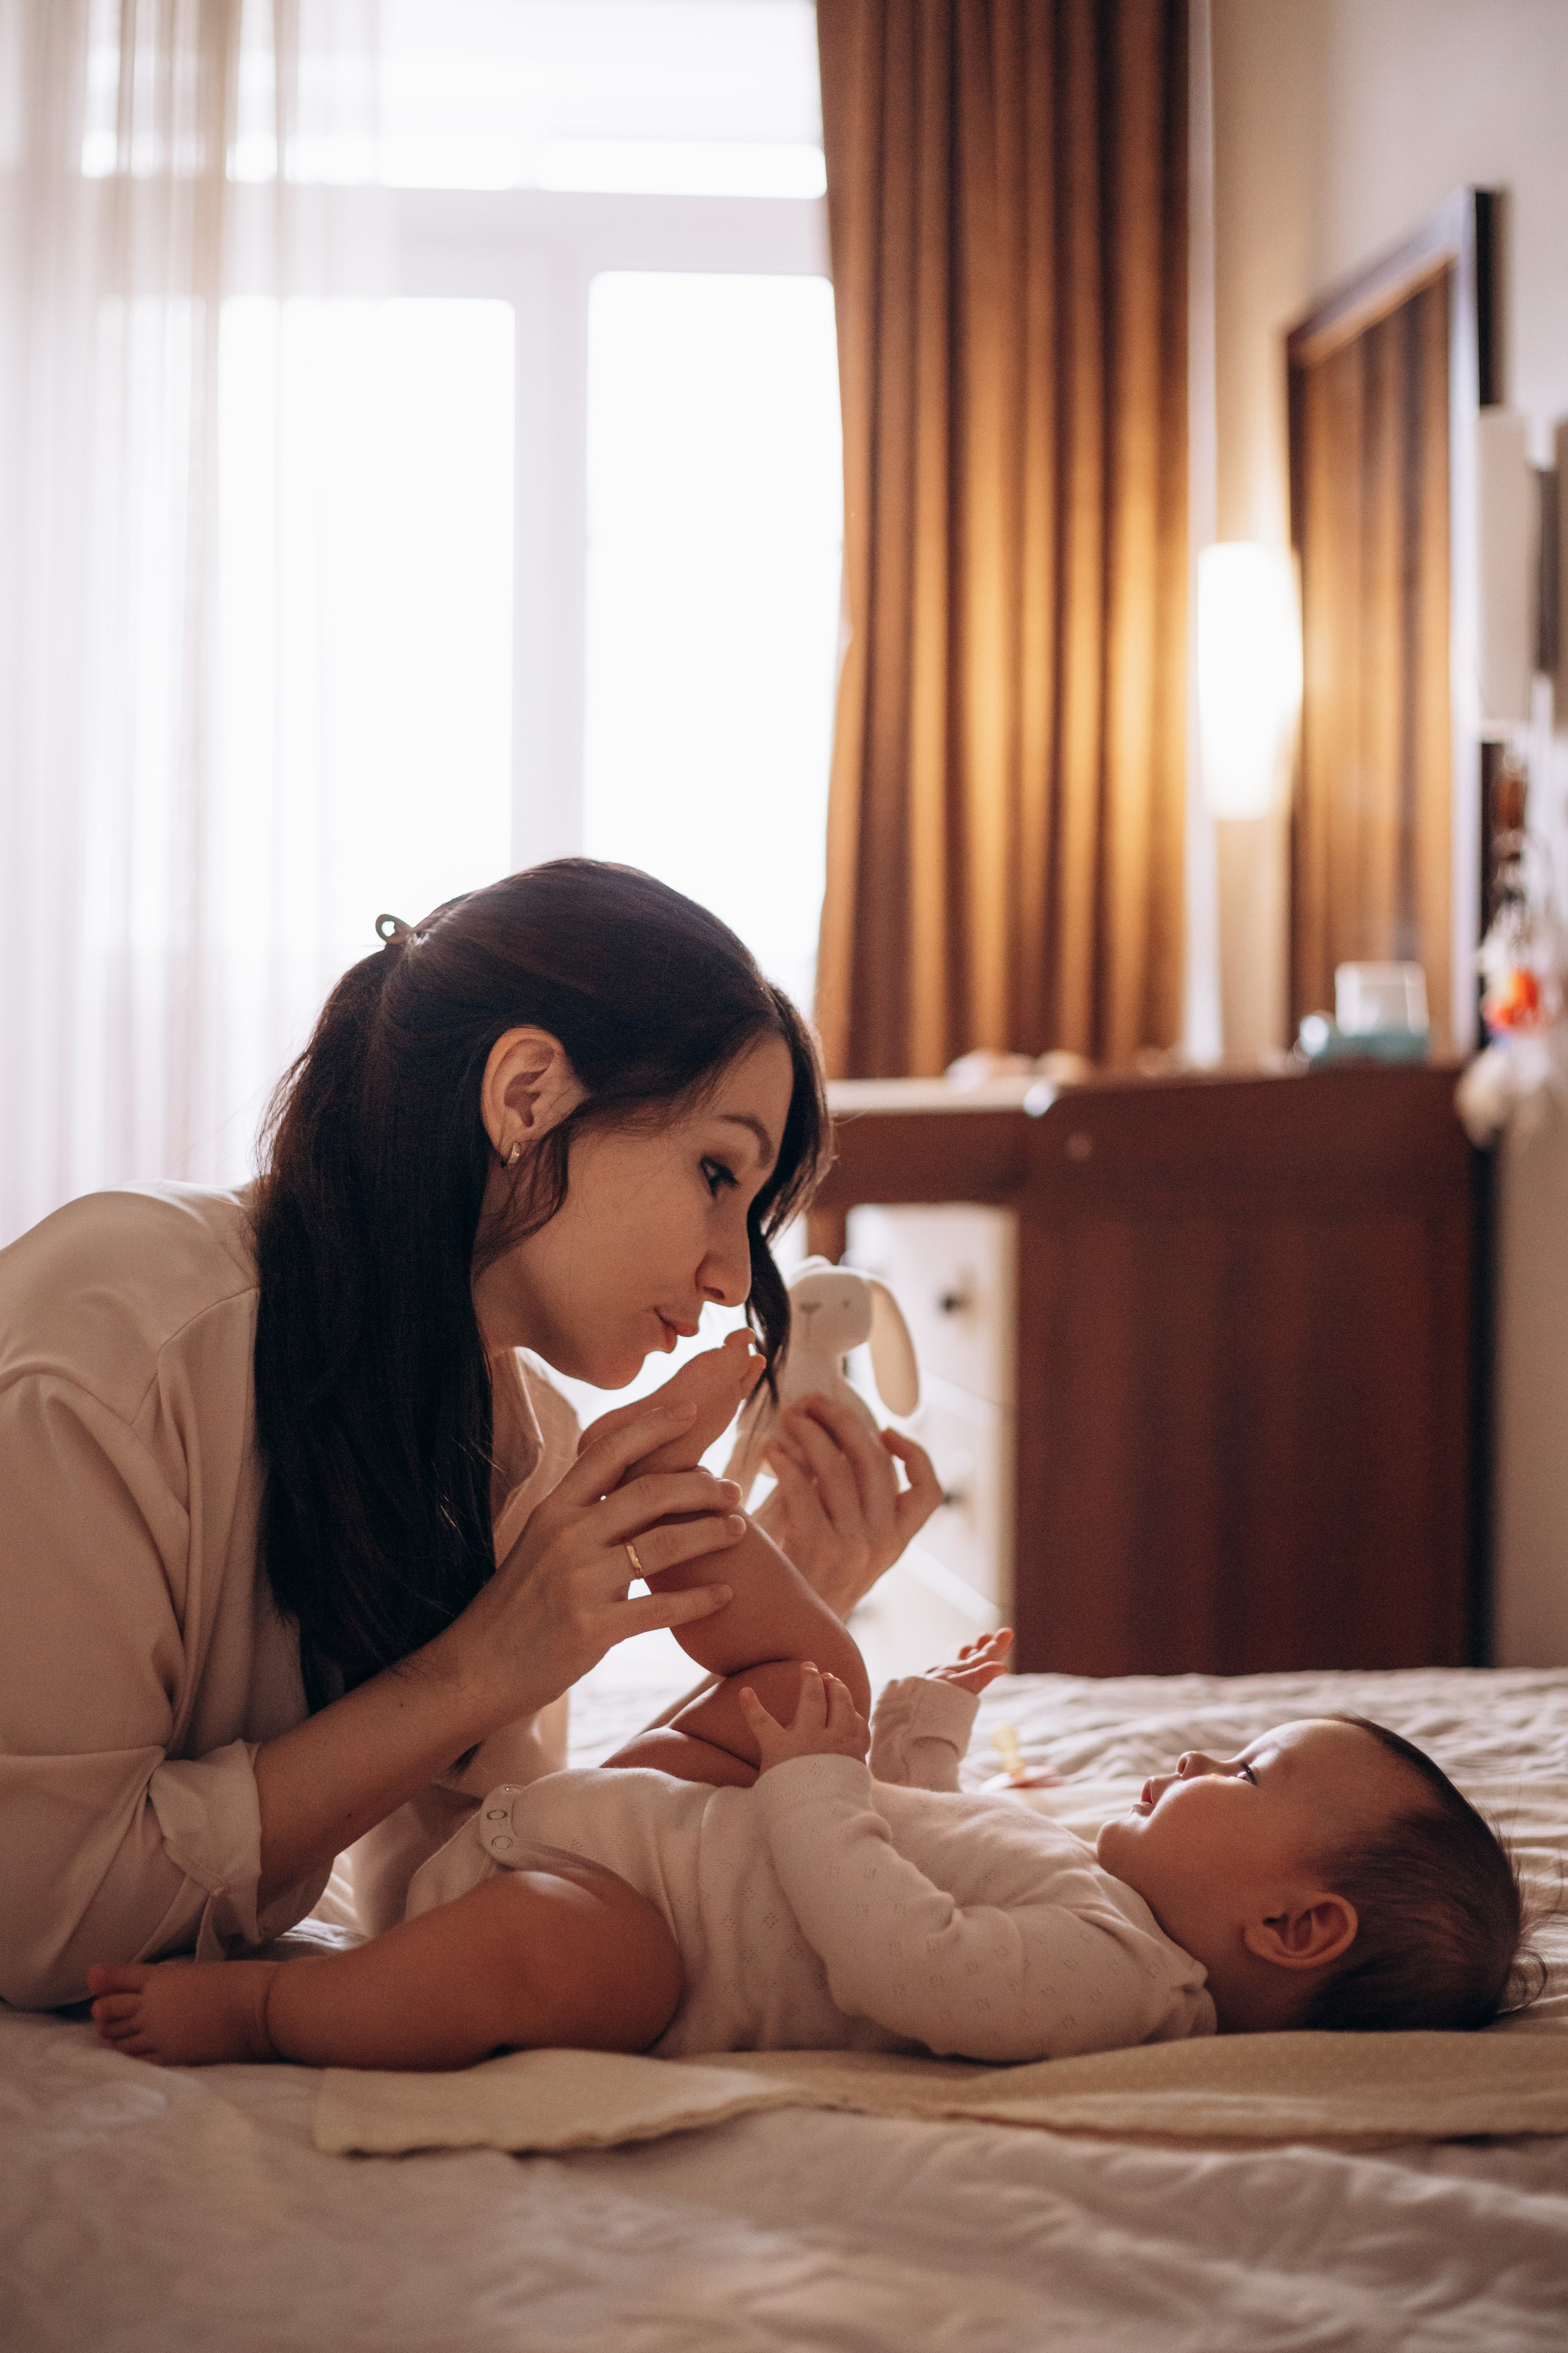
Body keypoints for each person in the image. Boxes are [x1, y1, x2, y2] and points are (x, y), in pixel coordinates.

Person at [0, 860, 941, 2014]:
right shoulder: (124, 1339)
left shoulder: (517, 1440)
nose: (733, 1273)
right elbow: (38, 1916)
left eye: (751, 1214)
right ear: (528, 1093)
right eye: (714, 1172)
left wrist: (796, 1619)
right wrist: (474, 1669)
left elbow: (475, 1884)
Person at [83, 1479, 1531, 2071]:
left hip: (640, 1925)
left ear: (1291, 1927)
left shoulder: (1123, 1986)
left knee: (557, 1960)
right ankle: (652, 1517)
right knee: (805, 1674)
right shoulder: (1111, 1898)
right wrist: (906, 1742)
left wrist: (816, 1788)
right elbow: (933, 1847)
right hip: (650, 1821)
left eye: (1251, 1769)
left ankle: (275, 2006)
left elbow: (910, 1953)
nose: (1202, 1754)